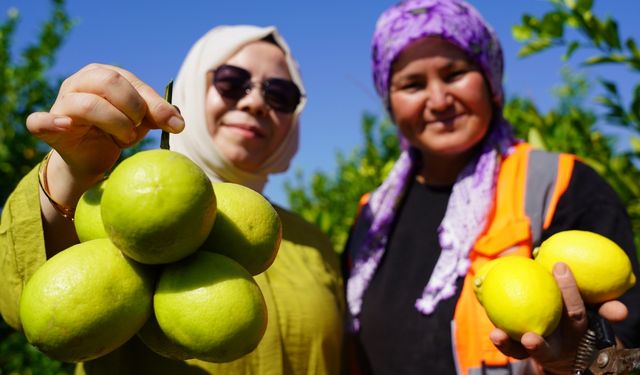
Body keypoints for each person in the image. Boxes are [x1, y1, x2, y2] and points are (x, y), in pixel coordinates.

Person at [0, 25, 344, 374]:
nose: (255, 102)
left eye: (281, 94)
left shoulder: (314, 243)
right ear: (193, 87)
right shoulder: (111, 205)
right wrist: (70, 174)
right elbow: (19, 302)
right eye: (232, 81)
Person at [342, 0, 640, 374]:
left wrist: (582, 359)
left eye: (454, 74)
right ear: (390, 102)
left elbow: (626, 350)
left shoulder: (559, 183)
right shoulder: (371, 218)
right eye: (412, 84)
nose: (438, 100)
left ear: (490, 81)